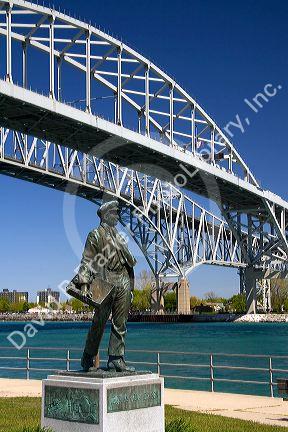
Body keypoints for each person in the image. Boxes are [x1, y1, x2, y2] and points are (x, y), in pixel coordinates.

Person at [77, 200, 137, 372]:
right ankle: (88, 356)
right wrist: (84, 285)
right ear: (106, 215)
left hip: (123, 280)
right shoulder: (95, 235)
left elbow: (128, 262)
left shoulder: (119, 237)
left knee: (121, 322)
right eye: (115, 213)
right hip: (105, 280)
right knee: (99, 322)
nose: (118, 217)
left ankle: (116, 358)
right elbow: (87, 260)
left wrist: (130, 288)